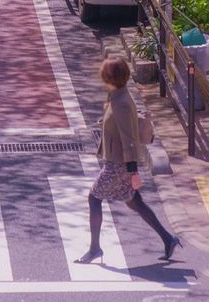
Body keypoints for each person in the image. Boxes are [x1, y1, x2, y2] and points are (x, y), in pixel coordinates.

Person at [75, 57, 180, 265]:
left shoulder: (121, 103)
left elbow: (129, 139)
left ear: (110, 78)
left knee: (94, 198)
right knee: (134, 202)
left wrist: (133, 172)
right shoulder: (119, 96)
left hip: (119, 164)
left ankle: (95, 249)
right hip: (120, 162)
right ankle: (169, 239)